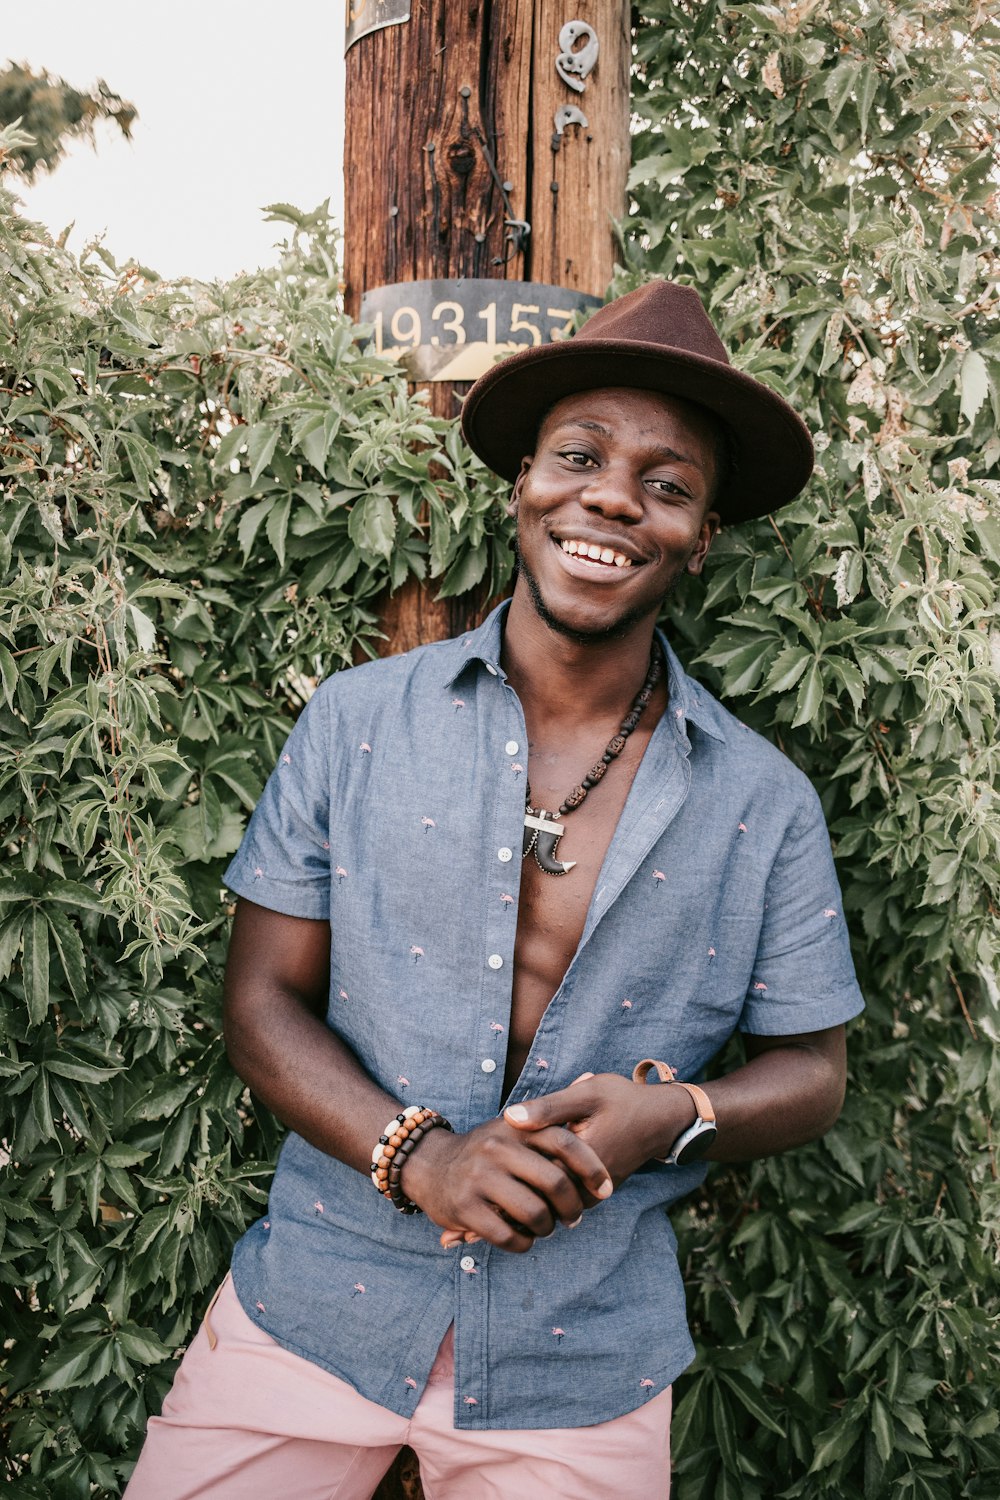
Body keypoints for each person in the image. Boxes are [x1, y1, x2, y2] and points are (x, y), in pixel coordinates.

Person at [126, 280, 864, 1499]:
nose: (613, 497)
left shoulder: (763, 800)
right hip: (312, 1308)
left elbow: (812, 1072)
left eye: (667, 485)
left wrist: (669, 1118)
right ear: (524, 480)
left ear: (701, 534)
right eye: (578, 456)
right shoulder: (357, 722)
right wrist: (420, 1162)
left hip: (582, 1356)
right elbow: (258, 1002)